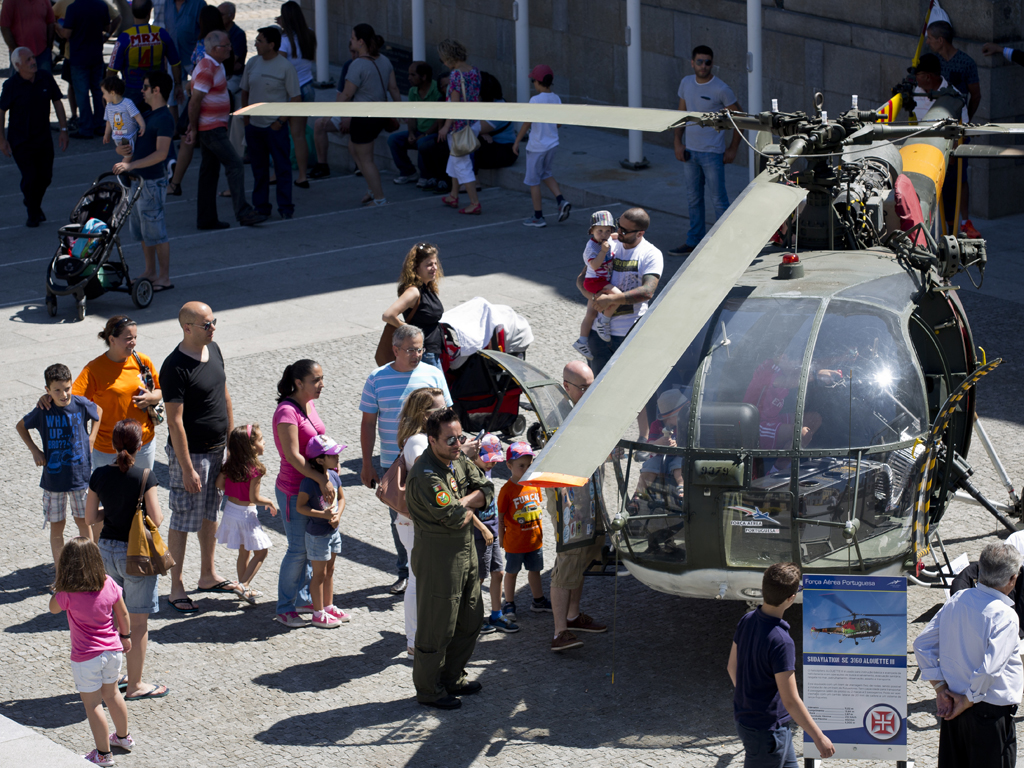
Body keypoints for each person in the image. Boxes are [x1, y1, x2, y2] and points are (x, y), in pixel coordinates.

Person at [406, 407, 492, 710]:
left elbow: (487, 488)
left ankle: (452, 676)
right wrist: (468, 503)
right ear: (432, 440)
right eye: (450, 440)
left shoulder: (457, 462)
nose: (458, 445)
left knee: (470, 617)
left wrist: (465, 500)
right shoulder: (426, 475)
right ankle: (429, 689)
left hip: (466, 551)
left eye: (460, 438)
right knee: (437, 626)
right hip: (439, 556)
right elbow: (453, 516)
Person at [160, 301, 240, 614]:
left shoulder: (215, 350)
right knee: (182, 519)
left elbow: (225, 396)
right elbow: (174, 420)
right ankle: (175, 586)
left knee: (210, 514)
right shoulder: (175, 366)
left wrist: (232, 444)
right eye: (206, 324)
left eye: (213, 322)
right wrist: (187, 466)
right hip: (191, 456)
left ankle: (208, 574)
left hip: (218, 449)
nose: (213, 328)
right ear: (187, 327)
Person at [360, 323, 453, 595]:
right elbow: (368, 423)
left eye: (420, 349)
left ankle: (429, 568)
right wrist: (367, 463)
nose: (417, 354)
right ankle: (405, 571)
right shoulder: (376, 378)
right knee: (400, 517)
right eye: (411, 350)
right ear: (395, 349)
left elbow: (448, 417)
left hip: (432, 460)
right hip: (393, 463)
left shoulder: (433, 374)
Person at [914, 541, 1023, 767]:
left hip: (955, 710)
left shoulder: (957, 600)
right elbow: (990, 669)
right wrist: (968, 699)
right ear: (1012, 579)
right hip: (987, 717)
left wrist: (940, 688)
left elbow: (922, 644)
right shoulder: (1005, 615)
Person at [86, 418, 169, 701]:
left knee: (112, 618)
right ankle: (134, 685)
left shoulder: (98, 474)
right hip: (136, 554)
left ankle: (109, 679)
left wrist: (110, 512)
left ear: (112, 443)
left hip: (106, 550)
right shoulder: (145, 476)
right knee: (138, 623)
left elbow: (89, 517)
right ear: (140, 444)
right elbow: (156, 518)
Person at [728, 562, 835, 766]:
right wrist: (819, 738)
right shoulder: (782, 641)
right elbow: (791, 700)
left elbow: (731, 667)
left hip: (757, 725)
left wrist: (749, 698)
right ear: (791, 598)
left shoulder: (746, 620)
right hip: (767, 733)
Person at [49, 538, 133, 766]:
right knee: (113, 694)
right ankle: (123, 738)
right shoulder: (109, 583)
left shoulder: (67, 592)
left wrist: (59, 585)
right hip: (113, 650)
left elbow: (52, 608)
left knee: (93, 704)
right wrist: (125, 637)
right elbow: (123, 614)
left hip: (86, 657)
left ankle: (103, 755)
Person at [16, 363, 101, 564]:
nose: (64, 394)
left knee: (84, 522)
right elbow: (21, 426)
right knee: (57, 527)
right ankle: (60, 571)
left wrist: (92, 438)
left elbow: (98, 411)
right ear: (47, 390)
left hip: (80, 478)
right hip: (53, 481)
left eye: (67, 388)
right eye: (57, 390)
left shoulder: (80, 404)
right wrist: (35, 450)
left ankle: (89, 566)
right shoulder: (43, 410)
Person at [549, 360, 608, 652]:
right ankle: (559, 631)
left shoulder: (587, 408)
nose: (589, 391)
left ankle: (573, 616)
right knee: (569, 558)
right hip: (568, 501)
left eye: (591, 385)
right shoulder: (557, 419)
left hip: (589, 494)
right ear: (566, 387)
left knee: (584, 555)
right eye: (583, 387)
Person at [272, 359, 333, 628]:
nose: (322, 384)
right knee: (297, 550)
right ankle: (285, 607)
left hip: (312, 484)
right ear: (298, 383)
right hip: (294, 489)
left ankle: (304, 597)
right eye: (316, 380)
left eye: (321, 378)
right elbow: (293, 457)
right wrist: (321, 478)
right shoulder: (287, 412)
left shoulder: (309, 403)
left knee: (311, 549)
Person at [186, 30, 266, 228]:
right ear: (215, 49)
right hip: (211, 128)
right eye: (226, 46)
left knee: (209, 172)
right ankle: (243, 212)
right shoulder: (207, 68)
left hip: (213, 126)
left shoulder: (215, 64)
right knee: (235, 165)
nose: (231, 48)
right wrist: (193, 128)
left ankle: (207, 219)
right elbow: (195, 101)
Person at [575, 207, 664, 383]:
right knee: (595, 389)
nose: (617, 232)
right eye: (618, 226)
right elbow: (581, 279)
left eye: (624, 230)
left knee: (628, 386)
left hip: (628, 334)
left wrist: (611, 299)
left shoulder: (651, 254)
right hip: (597, 336)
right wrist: (594, 299)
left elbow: (648, 291)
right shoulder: (607, 244)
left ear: (640, 233)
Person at [668, 45, 741, 257]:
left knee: (719, 200)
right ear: (692, 62)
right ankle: (694, 241)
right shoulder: (686, 83)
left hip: (712, 153)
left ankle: (726, 244)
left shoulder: (721, 89)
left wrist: (733, 148)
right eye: (699, 61)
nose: (703, 66)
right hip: (690, 152)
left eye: (708, 62)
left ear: (712, 63)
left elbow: (741, 119)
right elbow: (681, 116)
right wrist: (677, 143)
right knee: (693, 199)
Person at [314, 24, 398, 205]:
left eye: (352, 38)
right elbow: (393, 88)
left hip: (364, 118)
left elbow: (346, 94)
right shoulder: (384, 60)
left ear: (360, 42)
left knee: (366, 160)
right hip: (379, 116)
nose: (350, 41)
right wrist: (399, 111)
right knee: (354, 149)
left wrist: (331, 112)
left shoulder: (357, 64)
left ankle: (380, 198)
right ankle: (371, 190)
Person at [111, 69, 176, 290]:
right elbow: (136, 145)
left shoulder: (165, 118)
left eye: (146, 87)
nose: (142, 91)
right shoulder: (148, 115)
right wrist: (123, 151)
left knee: (156, 232)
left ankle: (164, 278)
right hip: (138, 183)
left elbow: (161, 153)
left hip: (151, 183)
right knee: (143, 232)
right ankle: (150, 271)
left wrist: (132, 165)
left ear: (156, 90)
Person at [395, 386, 447, 655]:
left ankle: (422, 635)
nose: (447, 412)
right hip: (415, 522)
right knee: (417, 580)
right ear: (426, 416)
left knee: (426, 579)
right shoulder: (418, 442)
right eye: (440, 409)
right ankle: (414, 641)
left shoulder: (425, 438)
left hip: (419, 521)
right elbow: (426, 478)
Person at [0, 47, 69, 227]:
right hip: (20, 140)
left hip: (43, 138)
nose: (33, 62)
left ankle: (31, 202)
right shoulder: (10, 86)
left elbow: (57, 102)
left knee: (45, 177)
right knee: (30, 177)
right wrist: (2, 139)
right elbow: (1, 112)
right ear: (17, 66)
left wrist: (63, 129)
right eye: (28, 60)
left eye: (33, 58)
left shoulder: (45, 78)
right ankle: (33, 214)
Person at [926, 20, 982, 238]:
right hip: (936, 128)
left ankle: (964, 221)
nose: (928, 41)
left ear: (940, 40)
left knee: (961, 175)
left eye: (930, 38)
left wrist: (967, 120)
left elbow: (975, 94)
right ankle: (937, 220)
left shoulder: (966, 63)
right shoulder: (933, 62)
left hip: (959, 128)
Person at [240, 26, 300, 220]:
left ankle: (285, 207)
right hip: (254, 127)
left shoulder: (285, 67)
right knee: (259, 170)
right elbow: (245, 91)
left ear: (271, 45)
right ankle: (261, 206)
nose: (256, 44)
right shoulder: (252, 63)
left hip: (275, 128)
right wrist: (247, 119)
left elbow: (296, 99)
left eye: (259, 41)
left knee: (282, 168)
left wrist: (280, 122)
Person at [166, 5, 226, 197]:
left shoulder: (202, 43)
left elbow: (196, 71)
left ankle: (175, 183)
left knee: (188, 140)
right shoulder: (224, 41)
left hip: (201, 97)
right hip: (216, 99)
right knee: (217, 147)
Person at [214, 424, 277, 604]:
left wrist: (235, 490)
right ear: (251, 447)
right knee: (262, 552)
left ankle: (244, 588)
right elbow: (254, 497)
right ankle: (244, 584)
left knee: (244, 552)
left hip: (230, 511)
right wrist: (270, 502)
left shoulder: (230, 465)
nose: (264, 442)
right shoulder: (256, 469)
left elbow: (219, 484)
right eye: (260, 439)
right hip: (246, 515)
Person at [297, 434, 349, 629]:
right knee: (318, 574)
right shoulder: (309, 483)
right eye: (333, 455)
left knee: (330, 571)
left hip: (333, 532)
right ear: (319, 460)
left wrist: (337, 516)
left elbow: (342, 499)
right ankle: (317, 613)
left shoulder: (334, 476)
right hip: (317, 534)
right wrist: (323, 515)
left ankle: (328, 606)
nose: (337, 458)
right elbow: (301, 507)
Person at [497, 441, 549, 622]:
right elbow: (501, 516)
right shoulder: (506, 490)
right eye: (521, 466)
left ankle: (538, 600)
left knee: (535, 571)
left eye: (529, 465)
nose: (526, 469)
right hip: (514, 542)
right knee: (512, 572)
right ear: (509, 466)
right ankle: (509, 602)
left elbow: (537, 506)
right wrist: (502, 539)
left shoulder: (534, 484)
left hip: (535, 540)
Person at [514, 64, 570, 227]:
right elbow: (559, 123)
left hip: (537, 147)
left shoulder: (535, 100)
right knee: (546, 173)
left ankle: (538, 216)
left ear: (538, 82)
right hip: (552, 145)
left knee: (533, 181)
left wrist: (517, 141)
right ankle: (561, 200)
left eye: (533, 80)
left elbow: (527, 123)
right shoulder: (556, 98)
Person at [471, 434, 515, 634]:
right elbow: (465, 508)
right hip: (480, 533)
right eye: (487, 460)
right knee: (478, 578)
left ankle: (496, 614)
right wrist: (482, 528)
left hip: (493, 530)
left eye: (494, 461)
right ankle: (473, 618)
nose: (491, 465)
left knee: (498, 572)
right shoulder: (470, 475)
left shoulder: (486, 472)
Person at [57, 0, 119, 139]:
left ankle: (86, 127)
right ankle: (100, 124)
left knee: (82, 94)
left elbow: (67, 33)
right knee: (98, 92)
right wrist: (105, 37)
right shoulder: (101, 5)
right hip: (96, 55)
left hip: (79, 57)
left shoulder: (73, 8)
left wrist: (57, 27)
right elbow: (108, 27)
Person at [106, 0, 183, 112]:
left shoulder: (125, 37)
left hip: (132, 89)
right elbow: (175, 63)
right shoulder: (161, 34)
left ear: (132, 13)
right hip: (156, 91)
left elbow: (112, 69)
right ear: (149, 12)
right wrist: (178, 84)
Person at [383, 243, 445, 370]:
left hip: (432, 351)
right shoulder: (414, 292)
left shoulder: (427, 287)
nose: (434, 268)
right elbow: (388, 315)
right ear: (416, 268)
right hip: (425, 355)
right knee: (436, 389)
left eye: (435, 263)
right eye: (429, 265)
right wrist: (410, 330)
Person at [437, 38, 482, 215]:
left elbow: (454, 105)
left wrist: (445, 127)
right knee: (455, 160)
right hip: (473, 123)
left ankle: (474, 203)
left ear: (448, 58)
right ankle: (453, 195)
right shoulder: (474, 71)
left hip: (459, 127)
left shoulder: (455, 76)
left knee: (462, 164)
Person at [276, 0, 315, 187]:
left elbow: (280, 68)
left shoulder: (284, 42)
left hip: (291, 91)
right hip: (308, 86)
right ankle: (302, 175)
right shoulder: (309, 35)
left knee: (282, 133)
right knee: (299, 134)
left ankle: (282, 172)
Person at [573, 210, 621, 360]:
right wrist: (603, 251)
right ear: (591, 231)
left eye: (608, 230)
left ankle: (581, 341)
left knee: (590, 313)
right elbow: (594, 265)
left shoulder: (608, 240)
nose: (604, 234)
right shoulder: (592, 247)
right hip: (595, 282)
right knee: (619, 297)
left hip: (600, 281)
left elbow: (616, 236)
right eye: (599, 230)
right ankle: (603, 323)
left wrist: (622, 235)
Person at [629, 388, 689, 508]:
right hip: (659, 456)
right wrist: (660, 442)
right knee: (648, 468)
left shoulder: (685, 424)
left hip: (679, 456)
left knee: (679, 466)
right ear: (670, 417)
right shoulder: (656, 425)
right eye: (680, 414)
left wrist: (678, 445)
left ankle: (682, 488)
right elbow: (650, 447)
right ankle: (639, 494)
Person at [388, 61, 444, 187]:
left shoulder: (437, 89)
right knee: (394, 139)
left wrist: (424, 134)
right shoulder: (413, 91)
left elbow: (439, 120)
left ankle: (426, 176)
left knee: (422, 143)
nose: (409, 78)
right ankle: (408, 172)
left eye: (412, 75)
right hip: (419, 131)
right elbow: (412, 116)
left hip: (434, 133)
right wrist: (411, 133)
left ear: (423, 77)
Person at [475, 71, 518, 171]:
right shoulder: (486, 103)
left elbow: (474, 128)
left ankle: (474, 182)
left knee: (468, 144)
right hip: (492, 144)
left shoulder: (499, 108)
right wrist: (481, 133)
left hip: (505, 151)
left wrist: (480, 132)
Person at [1, 0, 55, 72]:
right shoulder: (10, 1)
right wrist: (15, 51)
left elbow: (50, 22)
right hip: (20, 55)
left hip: (43, 53)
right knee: (19, 82)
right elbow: (4, 27)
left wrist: (48, 47)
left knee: (45, 82)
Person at [913, 53, 968, 123]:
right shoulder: (917, 90)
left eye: (916, 74)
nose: (914, 77)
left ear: (927, 77)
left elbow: (963, 129)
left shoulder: (955, 98)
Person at [101, 75, 145, 151]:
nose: (103, 96)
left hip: (128, 136)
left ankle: (127, 162)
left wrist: (142, 125)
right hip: (117, 137)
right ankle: (127, 161)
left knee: (128, 151)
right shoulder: (108, 107)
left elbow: (137, 115)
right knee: (125, 151)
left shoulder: (127, 103)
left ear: (112, 93)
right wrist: (107, 134)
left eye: (104, 93)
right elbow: (109, 122)